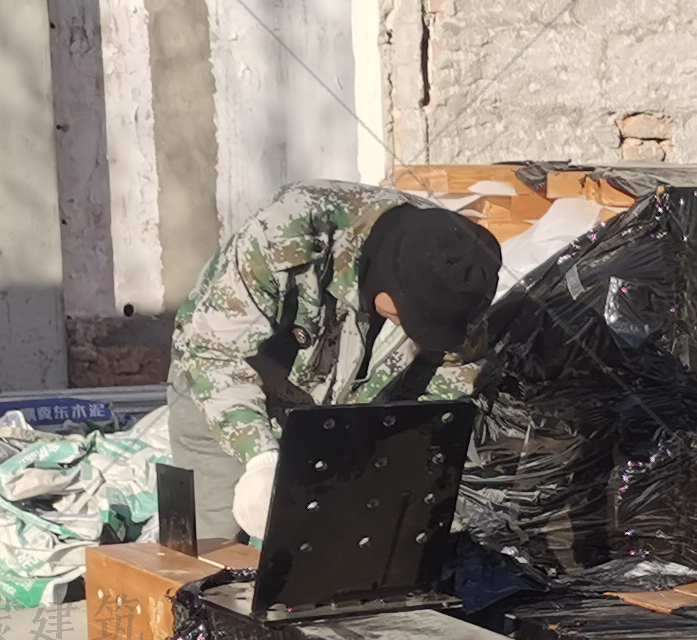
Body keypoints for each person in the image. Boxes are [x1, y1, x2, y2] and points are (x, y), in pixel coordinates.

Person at [166, 184, 504, 539]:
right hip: (223, 391)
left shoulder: (461, 269)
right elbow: (214, 354)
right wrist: (261, 460)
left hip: (336, 416)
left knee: (315, 551)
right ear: (388, 281)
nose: (413, 332)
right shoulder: (284, 234)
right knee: (214, 548)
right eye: (412, 319)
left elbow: (450, 380)